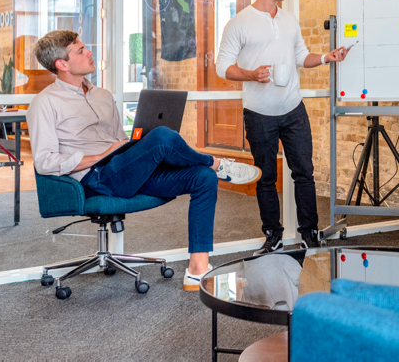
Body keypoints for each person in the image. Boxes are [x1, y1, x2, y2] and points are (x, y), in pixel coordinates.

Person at [27, 30, 261, 292]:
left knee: (201, 178)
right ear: (62, 64)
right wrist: (99, 156)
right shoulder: (44, 103)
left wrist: (131, 145)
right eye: (81, 50)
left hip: (124, 169)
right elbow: (45, 162)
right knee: (162, 137)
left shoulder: (102, 95)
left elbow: (118, 140)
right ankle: (216, 164)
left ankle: (197, 269)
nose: (90, 52)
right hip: (96, 177)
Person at [216, 0, 348, 254]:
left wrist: (327, 57)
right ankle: (273, 235)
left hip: (293, 109)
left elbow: (302, 56)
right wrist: (251, 73)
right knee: (265, 175)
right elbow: (222, 67)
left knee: (304, 172)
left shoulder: (289, 20)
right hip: (259, 113)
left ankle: (309, 233)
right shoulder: (240, 22)